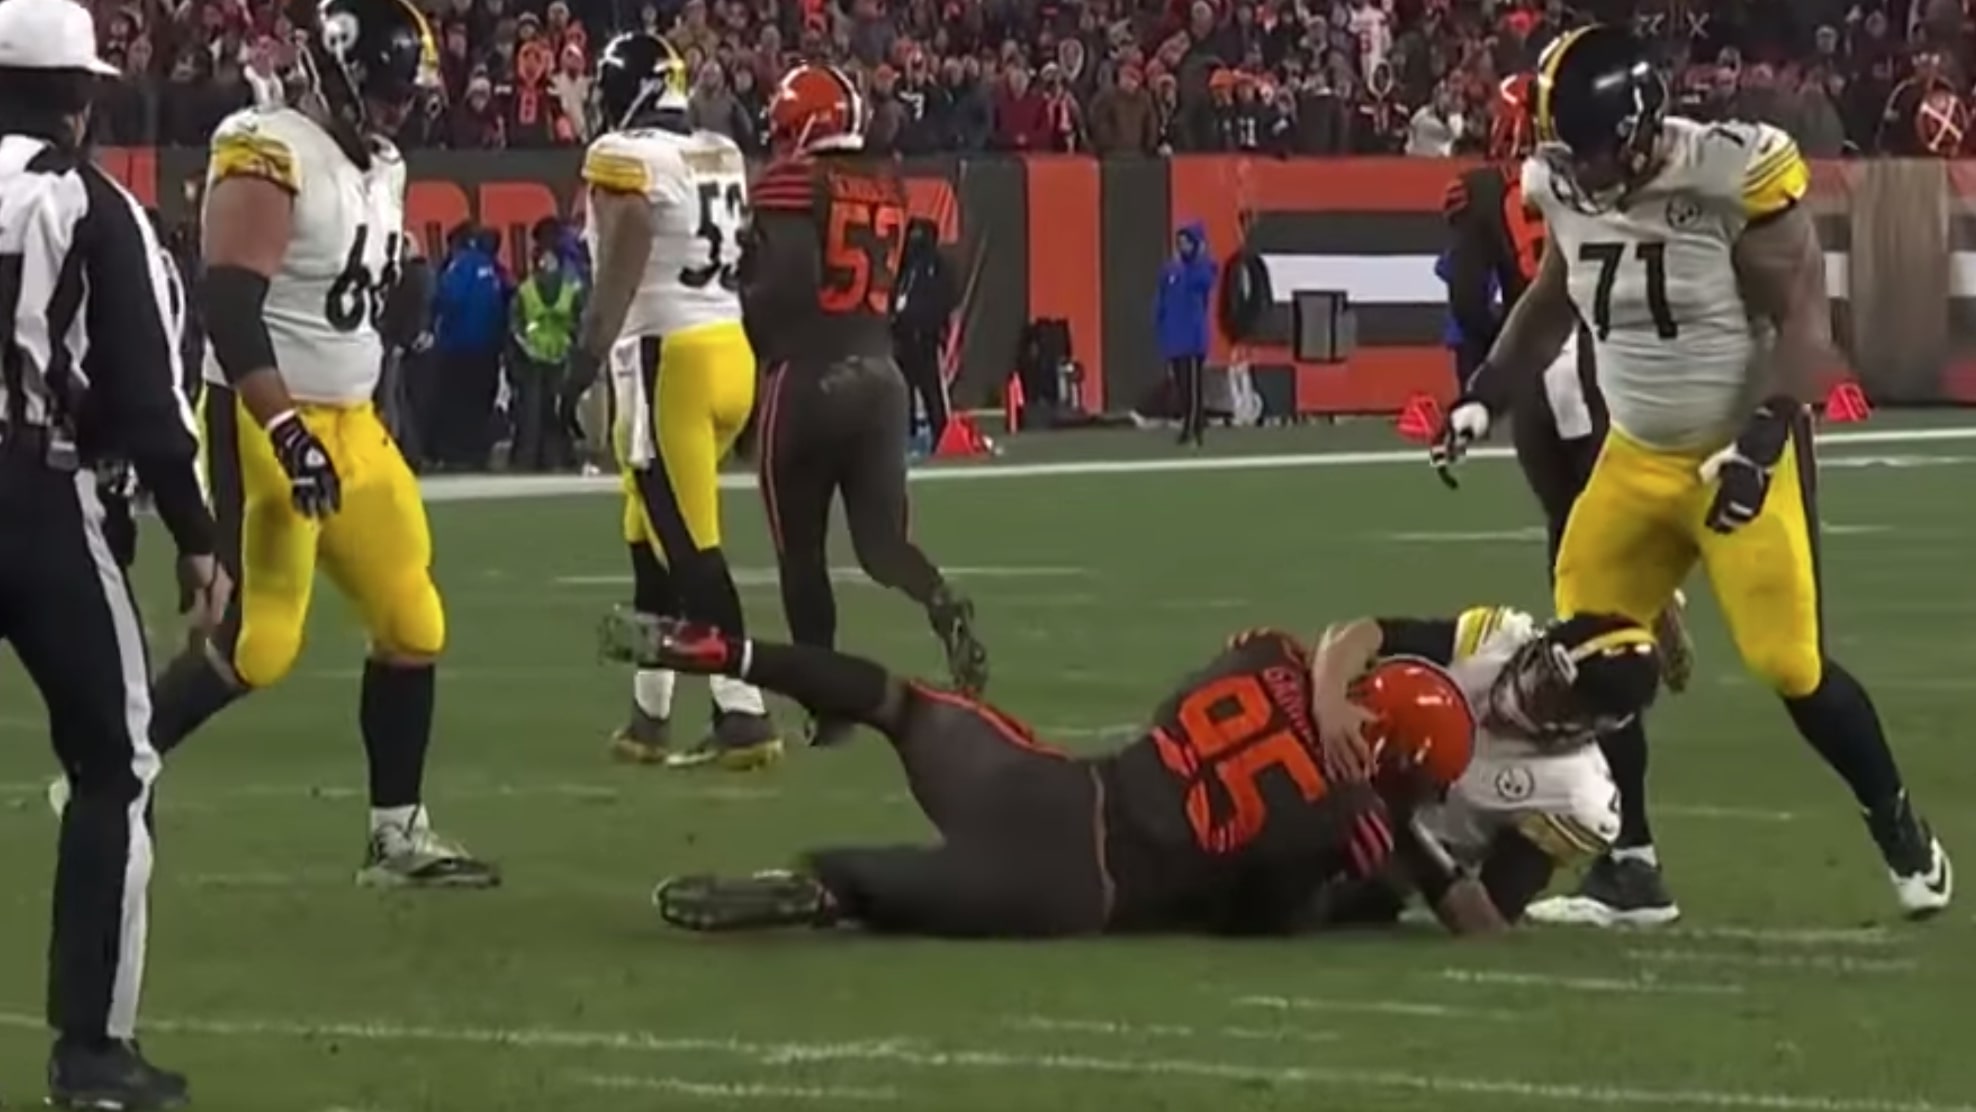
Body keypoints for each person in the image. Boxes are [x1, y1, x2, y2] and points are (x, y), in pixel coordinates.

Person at [1432, 24, 1950, 925]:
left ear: (1637, 127)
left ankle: (1904, 834)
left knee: (1790, 665)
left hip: (1732, 449)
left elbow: (1804, 325)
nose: (1576, 171)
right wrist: (1483, 396)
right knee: (1587, 654)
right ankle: (1631, 868)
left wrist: (1759, 445)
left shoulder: (1724, 176)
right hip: (1635, 457)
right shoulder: (1562, 182)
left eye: (1590, 149)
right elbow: (1554, 295)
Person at [144, 0, 499, 889]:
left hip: (351, 418)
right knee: (260, 643)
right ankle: (112, 769)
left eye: (403, 91)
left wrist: (408, 285)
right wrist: (286, 430)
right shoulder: (268, 147)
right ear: (332, 69)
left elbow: (373, 280)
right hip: (271, 416)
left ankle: (397, 837)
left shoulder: (383, 165)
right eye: (380, 88)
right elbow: (228, 306)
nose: (394, 107)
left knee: (413, 622)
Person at [605, 613, 1486, 937]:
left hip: (1054, 785)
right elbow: (1251, 917)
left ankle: (728, 650)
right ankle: (820, 889)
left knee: (897, 702)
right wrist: (1351, 875)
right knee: (876, 890)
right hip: (1081, 883)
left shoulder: (1268, 655)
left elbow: (1336, 640)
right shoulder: (1346, 821)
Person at [0, 0, 227, 1102]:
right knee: (114, 763)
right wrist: (194, 530)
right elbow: (144, 390)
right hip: (34, 496)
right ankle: (89, 1048)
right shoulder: (92, 202)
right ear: (80, 96)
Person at [1442, 70, 1692, 924]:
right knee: (1589, 641)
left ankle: (1632, 861)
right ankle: (1630, 856)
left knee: (1585, 654)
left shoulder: (1517, 199)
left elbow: (1494, 309)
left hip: (1585, 406)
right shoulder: (1584, 194)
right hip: (1582, 400)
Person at [744, 63, 988, 748]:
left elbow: (785, 287)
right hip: (880, 377)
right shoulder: (883, 181)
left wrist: (748, 309)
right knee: (883, 547)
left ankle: (833, 711)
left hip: (808, 377)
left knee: (801, 555)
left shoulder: (790, 186)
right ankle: (940, 600)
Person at [571, 32, 779, 769]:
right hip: (728, 351)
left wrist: (586, 355)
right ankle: (649, 714)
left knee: (689, 549)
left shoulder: (626, 157)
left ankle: (743, 710)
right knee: (648, 537)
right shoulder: (718, 151)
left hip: (670, 361)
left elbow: (626, 248)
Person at [1303, 608, 1661, 928]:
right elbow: (1360, 635)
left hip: (1381, 854)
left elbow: (1489, 918)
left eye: (1559, 702)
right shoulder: (1494, 640)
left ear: (1596, 726)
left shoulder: (1576, 797)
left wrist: (1401, 822)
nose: (1535, 694)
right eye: (1542, 673)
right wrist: (1330, 706)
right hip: (1313, 757)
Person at [429, 224, 508, 469]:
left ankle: (457, 455)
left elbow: (448, 298)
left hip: (459, 347)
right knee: (480, 402)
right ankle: (477, 453)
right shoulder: (493, 268)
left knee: (456, 403)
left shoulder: (461, 266)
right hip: (488, 348)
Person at [508, 238, 582, 471]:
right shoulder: (571, 290)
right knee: (551, 412)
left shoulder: (525, 290)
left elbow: (515, 324)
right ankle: (554, 459)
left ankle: (530, 460)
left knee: (534, 411)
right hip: (553, 357)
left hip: (538, 357)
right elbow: (580, 322)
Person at [891, 216, 956, 450]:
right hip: (903, 338)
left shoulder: (936, 266)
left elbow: (945, 299)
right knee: (903, 390)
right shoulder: (904, 267)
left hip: (926, 340)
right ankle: (906, 437)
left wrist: (936, 328)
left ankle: (942, 437)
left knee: (932, 391)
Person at [1156, 222, 1215, 446]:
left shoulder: (1201, 270)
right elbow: (1161, 298)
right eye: (1179, 242)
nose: (1182, 246)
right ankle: (1197, 425)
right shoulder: (1170, 271)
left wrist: (1197, 260)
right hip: (1174, 337)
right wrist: (1159, 323)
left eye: (1186, 242)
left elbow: (1205, 283)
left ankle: (1190, 429)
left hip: (1192, 339)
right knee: (1181, 386)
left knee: (1192, 386)